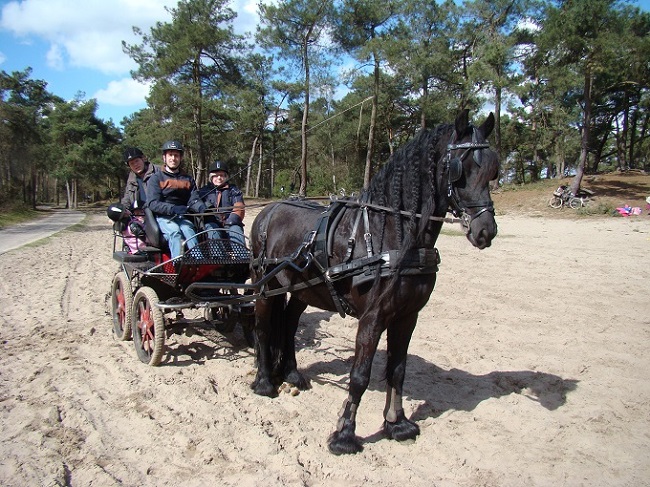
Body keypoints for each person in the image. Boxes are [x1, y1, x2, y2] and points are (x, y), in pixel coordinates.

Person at [146, 140, 206, 259]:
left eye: (176, 155)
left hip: (182, 216)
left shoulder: (187, 178)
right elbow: (153, 203)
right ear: (164, 158)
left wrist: (200, 206)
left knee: (189, 231)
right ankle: (178, 263)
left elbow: (193, 199)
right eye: (170, 155)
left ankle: (198, 261)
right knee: (174, 232)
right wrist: (173, 209)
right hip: (163, 217)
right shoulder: (156, 178)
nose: (173, 158)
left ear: (180, 158)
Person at [107, 147, 158, 254]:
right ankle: (135, 253)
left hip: (157, 212)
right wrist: (119, 212)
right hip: (139, 214)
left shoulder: (158, 172)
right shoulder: (131, 178)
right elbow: (127, 198)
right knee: (125, 225)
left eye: (137, 161)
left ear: (143, 159)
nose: (135, 165)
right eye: (131, 163)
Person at [199, 160, 246, 247]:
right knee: (212, 230)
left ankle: (242, 258)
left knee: (236, 229)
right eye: (216, 176)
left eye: (222, 175)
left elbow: (239, 207)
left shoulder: (234, 190)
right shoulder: (203, 192)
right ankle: (219, 259)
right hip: (213, 225)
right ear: (211, 178)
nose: (219, 178)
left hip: (230, 224)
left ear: (226, 177)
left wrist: (230, 222)